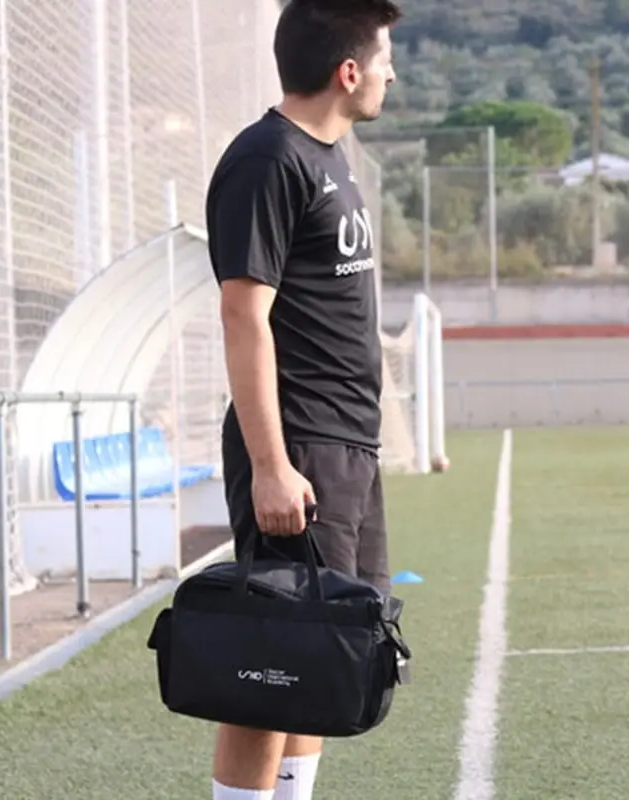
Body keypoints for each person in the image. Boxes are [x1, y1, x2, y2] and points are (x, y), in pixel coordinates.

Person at [203, 1, 401, 798]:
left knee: (323, 654)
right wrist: (272, 466)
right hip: (302, 450)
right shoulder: (267, 157)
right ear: (348, 71)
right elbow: (242, 315)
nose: (393, 73)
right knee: (268, 665)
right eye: (385, 58)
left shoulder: (331, 156)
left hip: (348, 449)